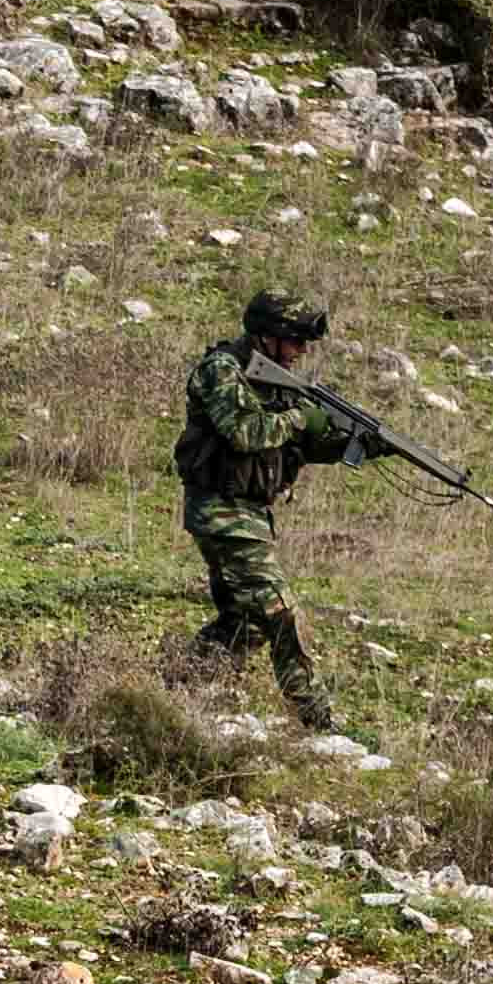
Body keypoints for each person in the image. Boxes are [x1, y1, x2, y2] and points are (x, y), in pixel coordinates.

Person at [174, 288, 374, 732]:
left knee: (247, 622)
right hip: (220, 512)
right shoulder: (221, 370)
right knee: (279, 610)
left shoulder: (278, 383)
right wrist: (301, 418)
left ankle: (176, 687)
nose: (302, 351)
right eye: (296, 340)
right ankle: (316, 719)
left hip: (251, 515)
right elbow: (245, 433)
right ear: (268, 337)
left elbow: (300, 445)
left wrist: (359, 443)